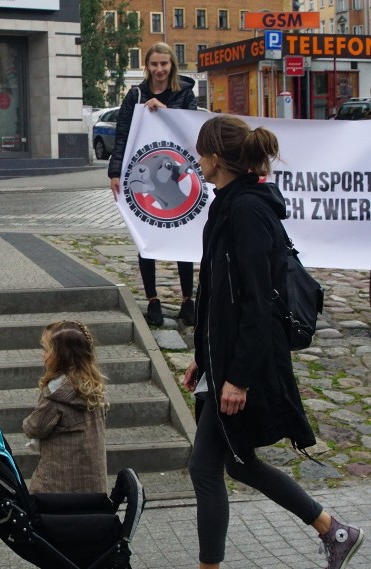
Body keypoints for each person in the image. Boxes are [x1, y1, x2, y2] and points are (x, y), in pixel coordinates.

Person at [182, 115, 365, 569]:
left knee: (205, 468)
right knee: (238, 464)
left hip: (246, 365)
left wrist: (238, 379)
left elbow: (257, 302)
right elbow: (216, 296)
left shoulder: (247, 211)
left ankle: (212, 566)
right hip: (222, 361)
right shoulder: (225, 205)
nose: (196, 159)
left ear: (218, 158)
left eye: (201, 151)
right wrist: (201, 359)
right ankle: (334, 530)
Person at [108, 42, 197, 327]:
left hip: (177, 174)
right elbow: (122, 135)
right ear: (147, 66)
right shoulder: (135, 94)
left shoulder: (184, 93)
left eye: (164, 64)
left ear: (172, 65)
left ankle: (187, 300)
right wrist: (115, 172)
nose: (160, 70)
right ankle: (153, 299)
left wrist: (167, 110)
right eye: (155, 64)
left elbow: (190, 129)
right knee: (147, 236)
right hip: (143, 176)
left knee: (182, 236)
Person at [22, 320, 108, 495]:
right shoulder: (96, 390)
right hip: (93, 488)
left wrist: (26, 423)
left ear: (60, 356)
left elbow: (34, 427)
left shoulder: (56, 395)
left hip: (57, 489)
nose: (42, 354)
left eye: (46, 349)